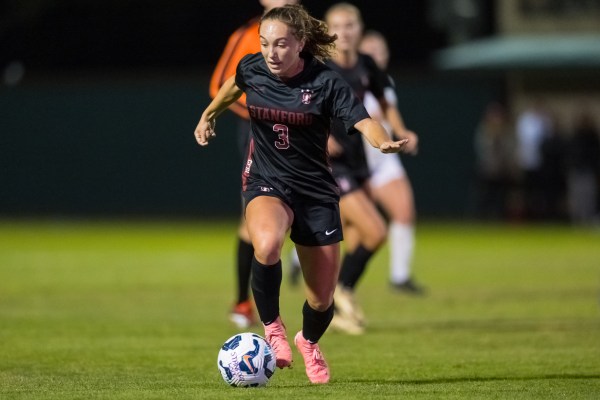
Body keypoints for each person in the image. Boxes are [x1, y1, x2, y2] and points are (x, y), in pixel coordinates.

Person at [194, 4, 408, 383]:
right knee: (267, 244)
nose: (271, 53)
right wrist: (209, 114)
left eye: (280, 45)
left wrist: (382, 141)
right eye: (265, 44)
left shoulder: (325, 81)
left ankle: (308, 341)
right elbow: (233, 85)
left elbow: (362, 119)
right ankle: (272, 327)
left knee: (322, 299)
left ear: (300, 44)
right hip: (266, 179)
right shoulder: (252, 67)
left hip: (315, 192)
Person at [323, 3, 419, 335]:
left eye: (350, 24)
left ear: (360, 28)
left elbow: (386, 101)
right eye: (338, 25)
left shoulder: (366, 65)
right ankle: (337, 295)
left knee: (357, 237)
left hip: (358, 161)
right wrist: (320, 138)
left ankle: (334, 301)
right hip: (330, 167)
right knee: (377, 230)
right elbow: (301, 107)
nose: (345, 31)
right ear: (328, 29)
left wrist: (401, 130)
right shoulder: (320, 67)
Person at [209, 0, 300, 330]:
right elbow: (221, 84)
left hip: (307, 133)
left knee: (316, 203)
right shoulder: (248, 34)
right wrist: (266, 113)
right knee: (254, 218)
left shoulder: (309, 34)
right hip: (259, 134)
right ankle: (243, 301)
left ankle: (304, 256)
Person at [358, 29, 424, 294]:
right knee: (335, 222)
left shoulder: (386, 82)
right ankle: (297, 259)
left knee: (404, 211)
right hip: (355, 163)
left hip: (383, 161)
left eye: (380, 50)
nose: (375, 55)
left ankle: (400, 276)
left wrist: (403, 132)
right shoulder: (347, 78)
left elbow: (389, 114)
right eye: (370, 50)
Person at [473, 102, 517, 220]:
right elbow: (482, 149)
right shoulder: (484, 130)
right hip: (487, 169)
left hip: (502, 170)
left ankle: (499, 218)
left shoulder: (506, 131)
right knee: (485, 196)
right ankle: (482, 218)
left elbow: (510, 149)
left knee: (500, 197)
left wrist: (507, 164)